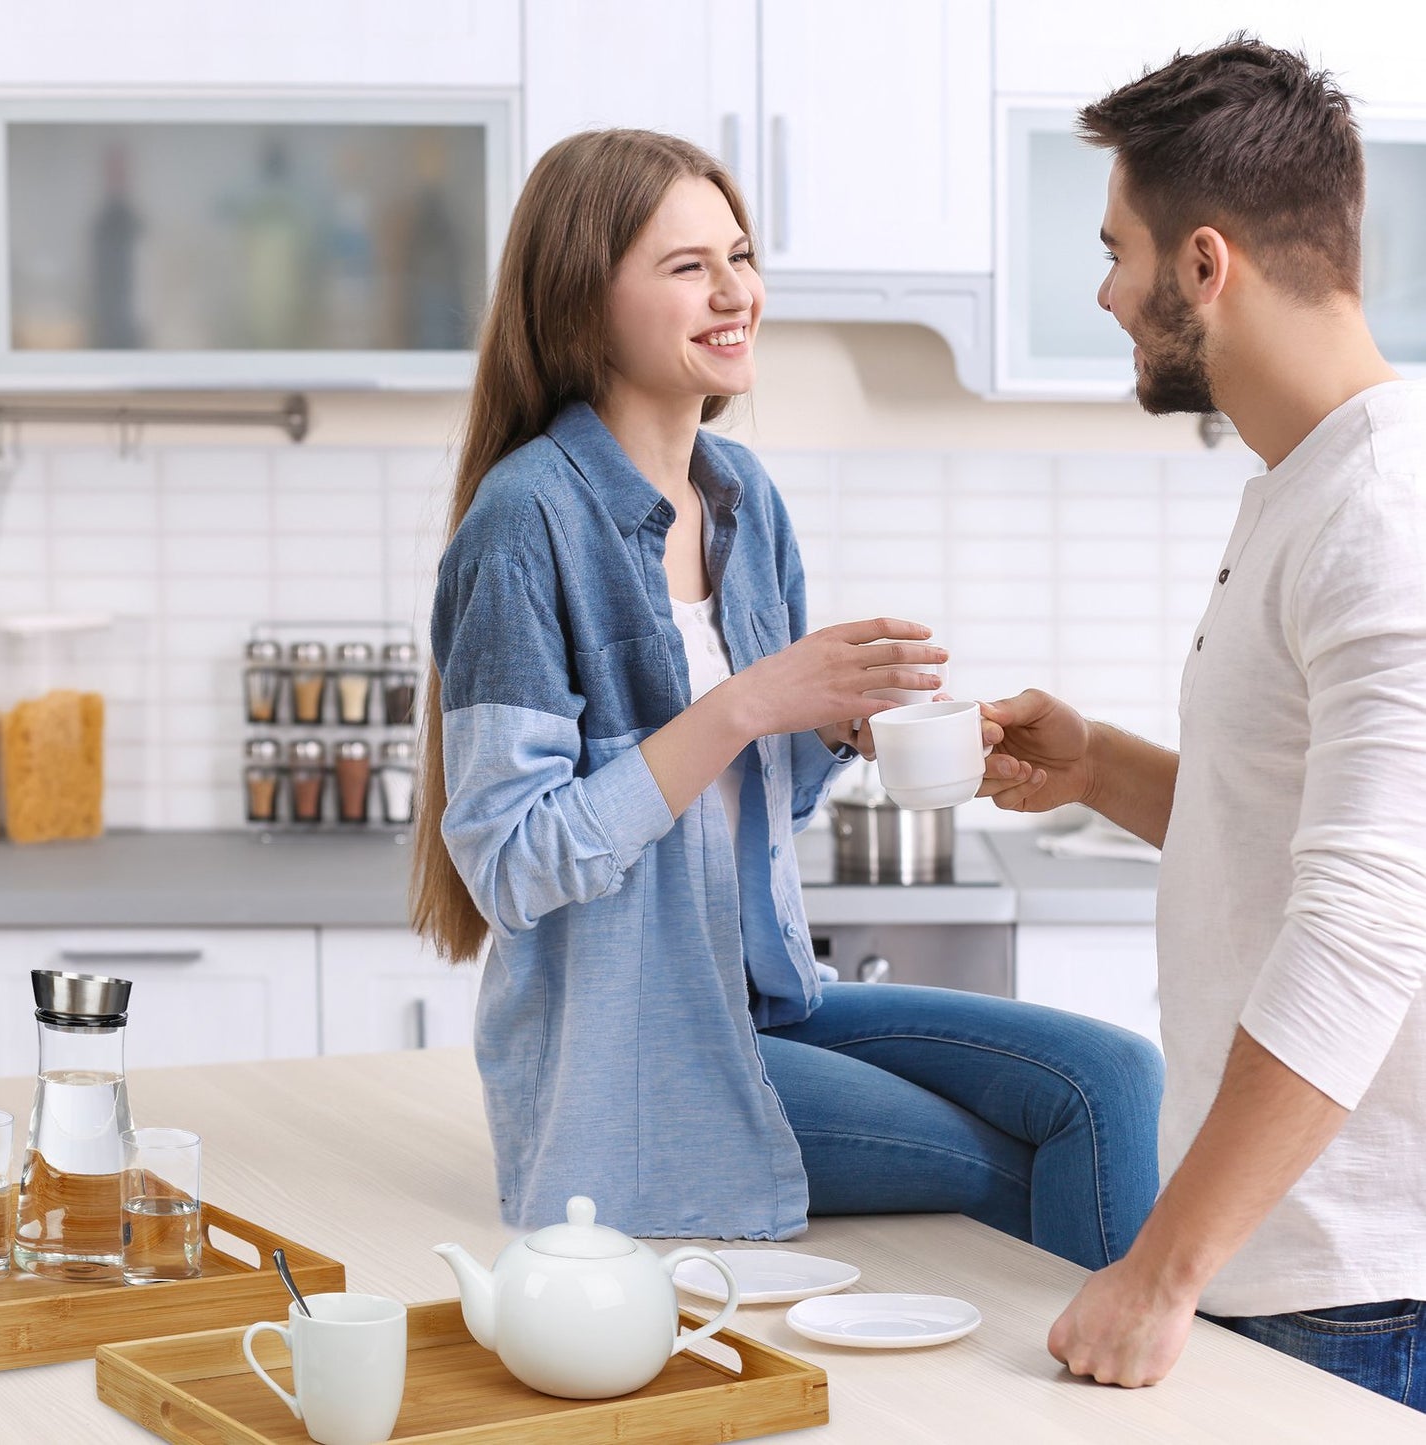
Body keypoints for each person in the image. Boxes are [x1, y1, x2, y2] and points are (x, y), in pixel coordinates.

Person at [411, 127, 1163, 1271]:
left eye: (740, 255)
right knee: (1053, 1151)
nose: (735, 292)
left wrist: (835, 726)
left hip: (766, 995)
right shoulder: (525, 526)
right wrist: (750, 703)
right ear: (580, 299)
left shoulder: (739, 498)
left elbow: (757, 801)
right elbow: (512, 861)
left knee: (1114, 1075)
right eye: (685, 267)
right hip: (639, 1053)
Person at [979, 37, 1426, 1410]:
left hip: (1350, 1286)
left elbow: (1362, 927)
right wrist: (1099, 766)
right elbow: (1282, 831)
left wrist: (1160, 1268)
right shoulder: (1305, 490)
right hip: (1290, 1261)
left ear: (1205, 264)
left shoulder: (1381, 516)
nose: (1106, 292)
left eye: (1118, 250)